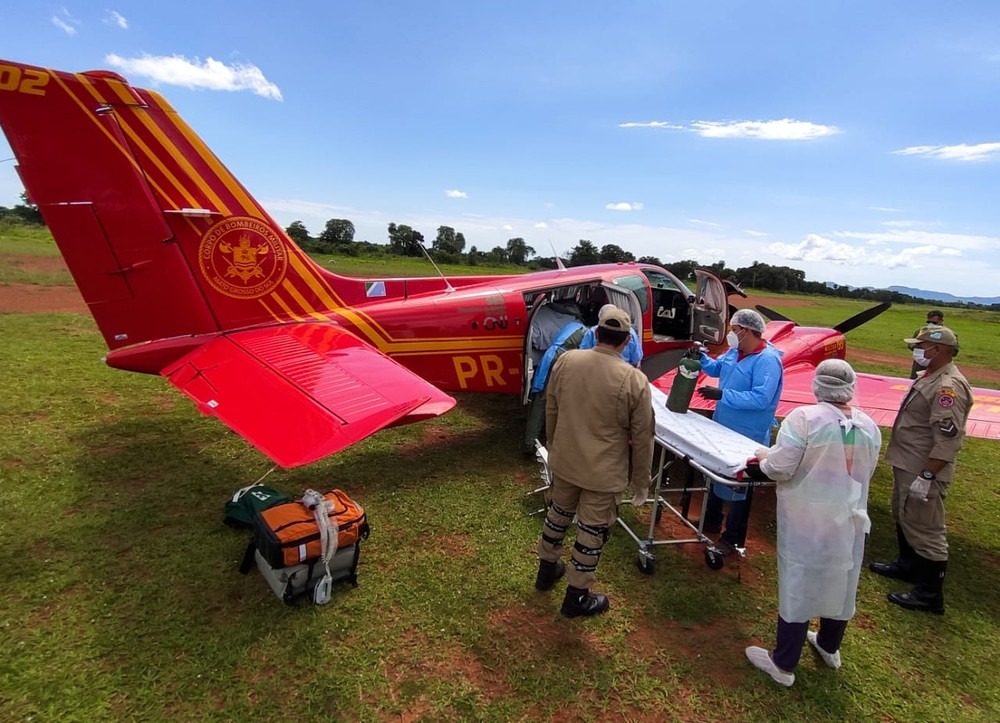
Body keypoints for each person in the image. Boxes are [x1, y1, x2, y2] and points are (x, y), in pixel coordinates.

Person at [743, 360, 882, 687]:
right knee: (844, 576)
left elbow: (782, 466)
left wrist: (763, 460)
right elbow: (866, 471)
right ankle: (829, 645)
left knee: (800, 578)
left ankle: (784, 663)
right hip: (849, 516)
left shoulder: (804, 418)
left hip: (808, 516)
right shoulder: (869, 425)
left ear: (818, 385)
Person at [533, 307, 655, 617]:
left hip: (566, 459)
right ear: (627, 341)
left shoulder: (566, 361)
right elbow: (643, 437)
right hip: (603, 471)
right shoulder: (634, 379)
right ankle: (577, 596)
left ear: (596, 333)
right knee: (591, 532)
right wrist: (641, 481)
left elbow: (552, 407)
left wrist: (553, 444)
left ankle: (546, 571)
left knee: (557, 516)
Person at [870, 326, 971, 615]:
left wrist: (928, 475)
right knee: (904, 514)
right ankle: (908, 565)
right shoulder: (930, 377)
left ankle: (929, 595)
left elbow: (948, 438)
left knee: (927, 529)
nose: (916, 351)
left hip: (923, 467)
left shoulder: (947, 387)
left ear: (937, 350)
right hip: (908, 462)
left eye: (920, 346)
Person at [695, 308, 783, 551]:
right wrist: (701, 357)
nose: (732, 335)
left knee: (740, 484)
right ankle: (710, 521)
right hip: (723, 424)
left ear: (747, 330)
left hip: (748, 432)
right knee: (716, 470)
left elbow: (761, 399)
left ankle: (732, 537)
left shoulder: (768, 360)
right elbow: (717, 369)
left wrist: (724, 394)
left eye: (735, 330)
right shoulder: (735, 351)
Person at [522, 319, 587, 455]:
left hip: (550, 360)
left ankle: (530, 442)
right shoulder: (585, 333)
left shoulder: (572, 326)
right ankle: (531, 444)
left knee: (538, 401)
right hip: (557, 362)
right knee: (544, 402)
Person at [578, 304, 643, 367]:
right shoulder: (631, 332)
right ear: (627, 339)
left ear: (596, 334)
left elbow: (583, 352)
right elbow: (636, 358)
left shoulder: (592, 331)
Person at [908, 309, 945, 379]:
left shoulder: (947, 334)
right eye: (928, 322)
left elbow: (954, 351)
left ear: (941, 321)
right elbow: (910, 344)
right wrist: (919, 347)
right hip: (919, 366)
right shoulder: (921, 331)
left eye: (934, 322)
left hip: (937, 367)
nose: (930, 324)